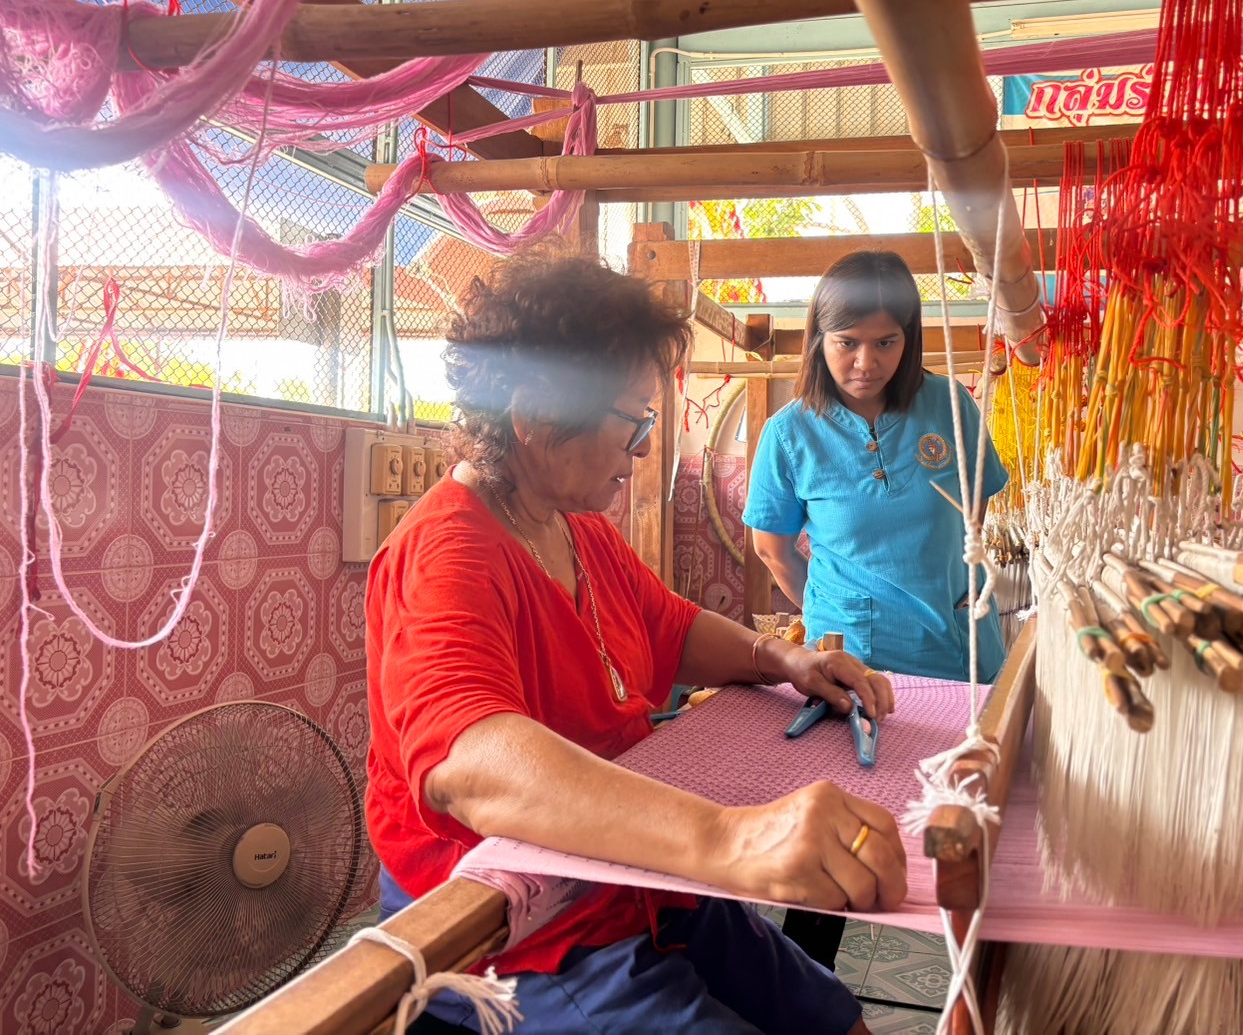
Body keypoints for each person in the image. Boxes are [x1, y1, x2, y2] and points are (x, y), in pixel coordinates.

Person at [365, 249, 906, 1035]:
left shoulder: (575, 528)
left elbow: (670, 626)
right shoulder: (446, 554)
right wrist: (730, 835)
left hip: (630, 878)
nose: (645, 448)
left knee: (832, 1017)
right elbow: (470, 766)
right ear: (538, 416)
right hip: (522, 923)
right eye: (635, 421)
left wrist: (783, 659)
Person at [742, 250, 1009, 968]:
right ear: (818, 338)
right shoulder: (790, 432)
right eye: (847, 342)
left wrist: (962, 574)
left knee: (970, 830)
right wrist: (835, 612)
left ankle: (976, 989)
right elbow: (773, 548)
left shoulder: (949, 407)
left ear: (910, 337)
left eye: (885, 342)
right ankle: (807, 996)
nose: (865, 360)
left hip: (957, 655)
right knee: (837, 845)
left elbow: (978, 508)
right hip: (852, 668)